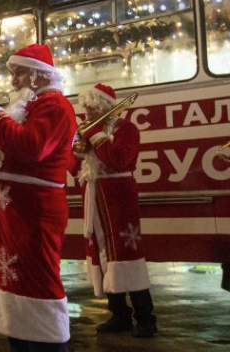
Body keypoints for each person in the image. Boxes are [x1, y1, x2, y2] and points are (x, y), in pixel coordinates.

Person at [0, 43, 76, 352]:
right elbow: (6, 150)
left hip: (33, 213)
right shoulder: (31, 106)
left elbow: (30, 147)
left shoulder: (55, 105)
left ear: (40, 73)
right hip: (16, 213)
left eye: (19, 72)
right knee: (15, 285)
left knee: (37, 285)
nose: (13, 81)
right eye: (12, 73)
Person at [74, 84, 156, 338]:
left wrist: (96, 136)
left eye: (90, 110)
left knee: (126, 255)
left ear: (103, 107)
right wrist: (77, 150)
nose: (86, 115)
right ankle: (118, 314)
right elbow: (73, 168)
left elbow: (119, 159)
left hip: (119, 197)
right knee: (103, 253)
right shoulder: (91, 131)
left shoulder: (126, 129)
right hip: (96, 195)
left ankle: (145, 317)